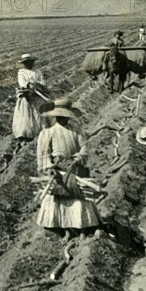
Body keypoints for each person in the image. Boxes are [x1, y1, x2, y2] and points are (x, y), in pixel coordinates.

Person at [36, 98, 102, 240]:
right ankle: (66, 230)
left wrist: (77, 159)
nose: (61, 119)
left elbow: (85, 147)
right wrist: (50, 167)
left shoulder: (76, 131)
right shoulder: (47, 133)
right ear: (55, 116)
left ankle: (83, 229)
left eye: (64, 116)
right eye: (58, 116)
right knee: (61, 199)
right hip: (59, 171)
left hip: (76, 169)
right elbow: (43, 153)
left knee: (79, 199)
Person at [12, 53, 48, 141]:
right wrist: (29, 84)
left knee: (39, 115)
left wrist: (37, 85)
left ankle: (40, 131)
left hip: (37, 95)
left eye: (30, 62)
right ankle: (25, 134)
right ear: (24, 63)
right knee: (26, 116)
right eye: (27, 62)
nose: (29, 64)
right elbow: (22, 83)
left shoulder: (38, 71)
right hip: (27, 96)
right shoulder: (21, 72)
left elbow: (43, 82)